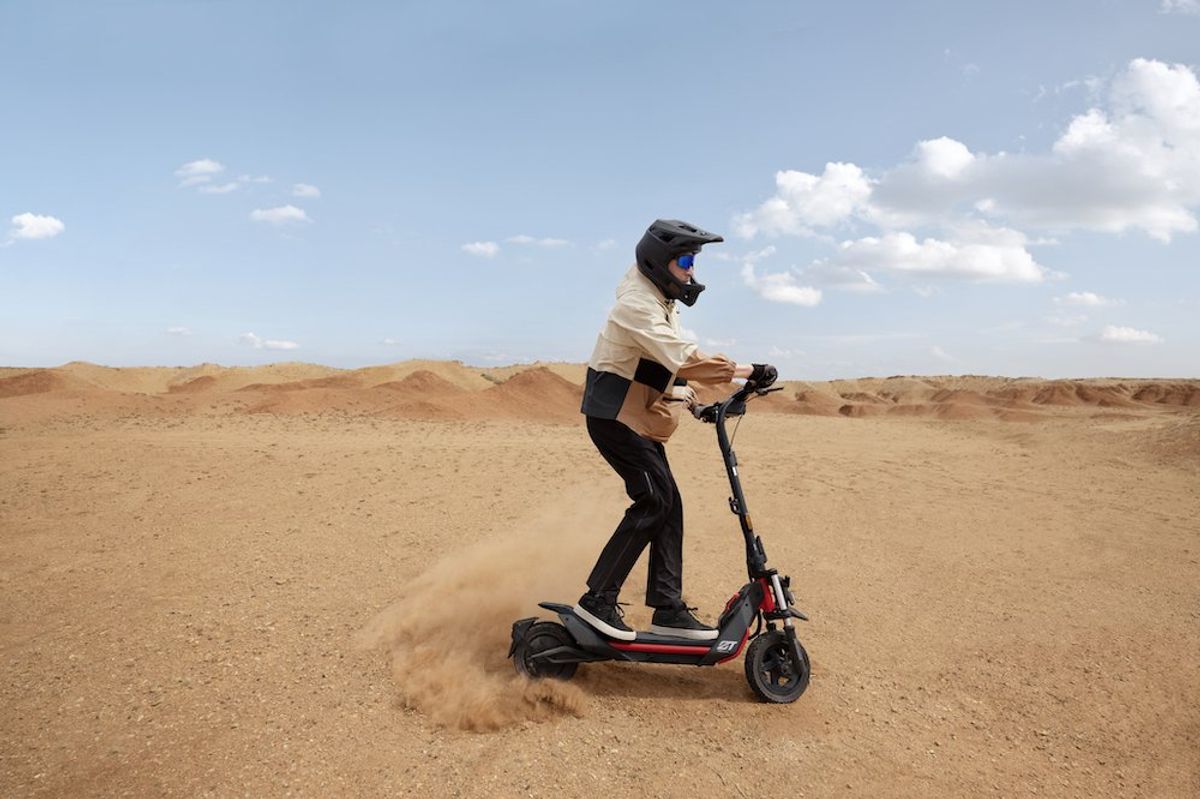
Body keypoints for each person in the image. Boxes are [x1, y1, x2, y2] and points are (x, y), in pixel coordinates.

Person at [575, 219, 777, 642]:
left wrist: (698, 403)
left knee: (671, 504)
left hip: (637, 418)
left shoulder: (659, 303)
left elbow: (663, 371)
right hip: (615, 418)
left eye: (693, 262)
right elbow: (683, 360)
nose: (691, 271)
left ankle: (668, 607)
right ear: (657, 262)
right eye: (686, 261)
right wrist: (748, 370)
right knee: (654, 499)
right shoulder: (636, 305)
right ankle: (598, 599)